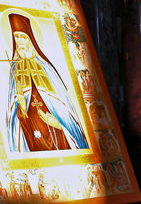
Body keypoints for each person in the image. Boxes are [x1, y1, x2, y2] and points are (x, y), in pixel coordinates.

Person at [6, 12, 89, 152]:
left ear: (30, 39)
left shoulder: (45, 67)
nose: (19, 41)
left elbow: (64, 107)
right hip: (31, 136)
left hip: (56, 132)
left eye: (23, 37)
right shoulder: (15, 68)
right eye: (16, 37)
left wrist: (59, 124)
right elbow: (13, 118)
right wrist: (21, 107)